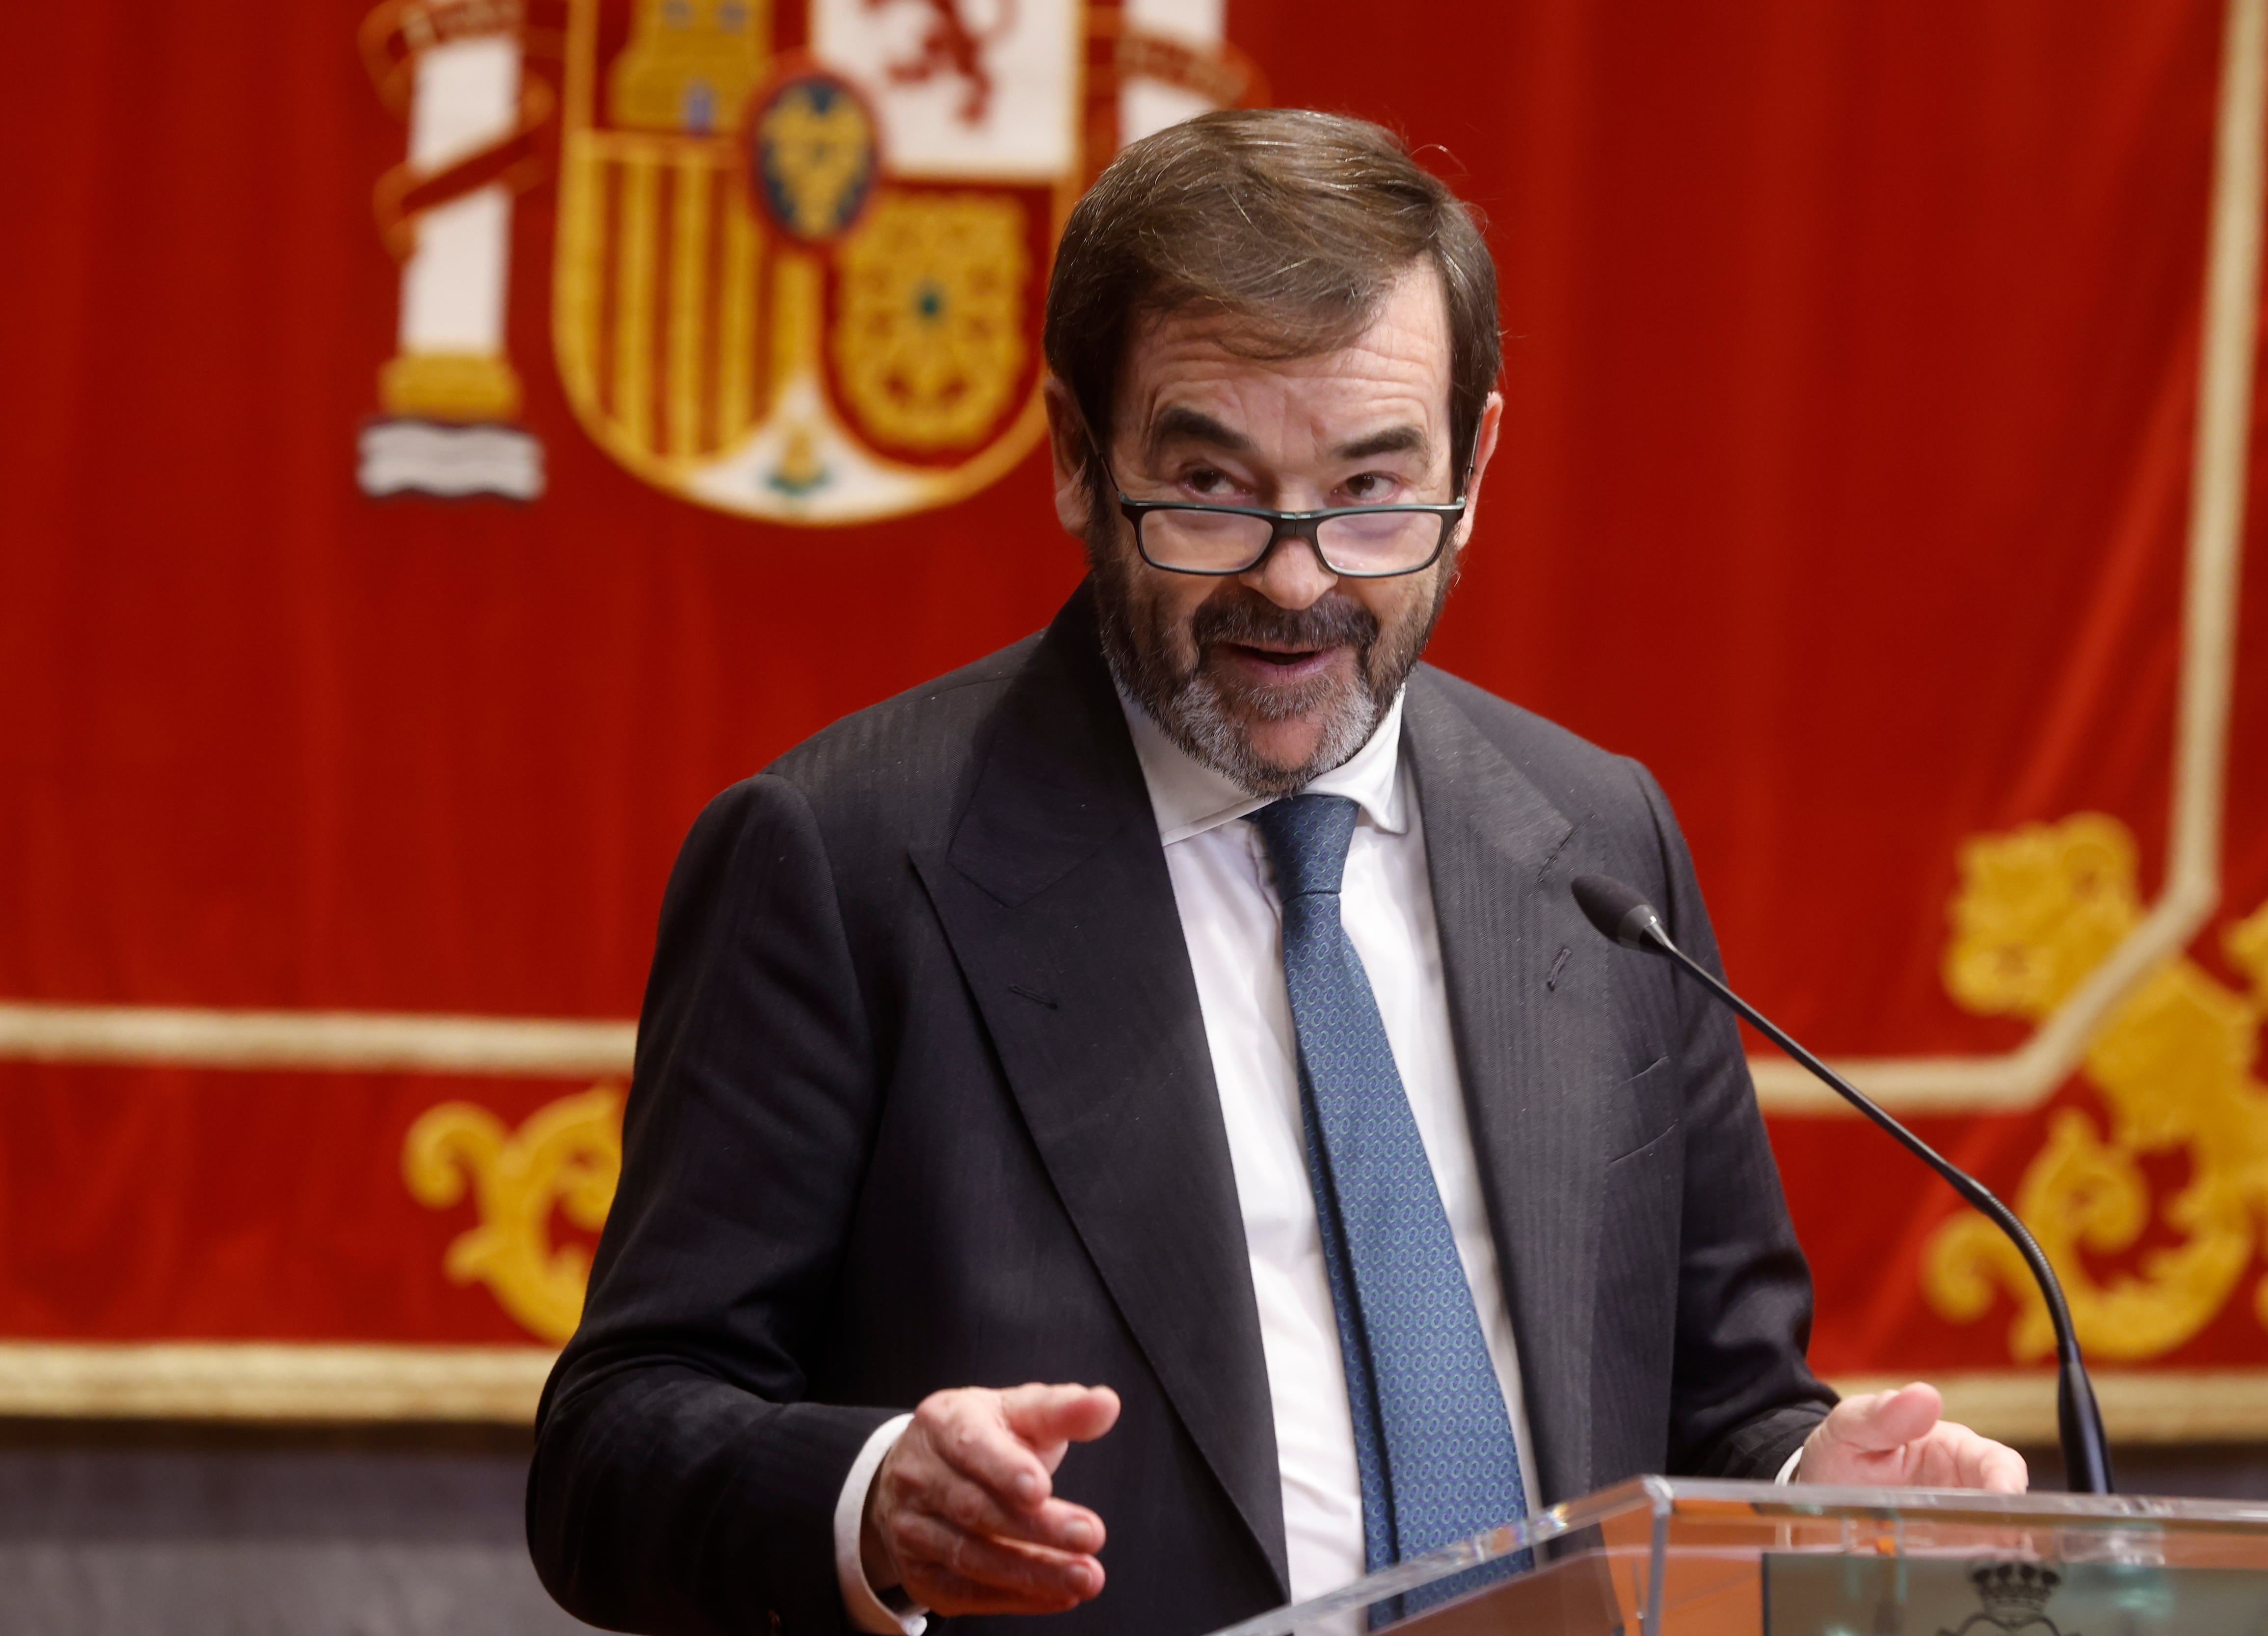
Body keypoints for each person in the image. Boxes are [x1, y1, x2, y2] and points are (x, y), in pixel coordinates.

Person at [528, 107, 2025, 1636]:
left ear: (1478, 460)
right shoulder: (843, 860)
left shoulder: (1594, 845)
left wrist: (1810, 1484)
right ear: (1072, 454)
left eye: (1376, 492)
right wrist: (874, 1498)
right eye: (1213, 490)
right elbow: (614, 1452)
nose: (1297, 582)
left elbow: (1719, 1404)